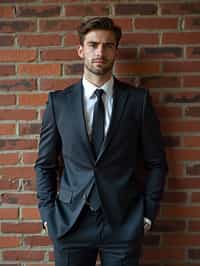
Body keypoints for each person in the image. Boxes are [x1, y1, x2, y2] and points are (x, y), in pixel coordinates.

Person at [35, 17, 168, 266]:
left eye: (108, 45)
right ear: (81, 50)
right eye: (93, 44)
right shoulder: (59, 103)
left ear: (116, 51)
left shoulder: (137, 101)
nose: (100, 52)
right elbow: (45, 164)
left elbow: (157, 163)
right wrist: (47, 215)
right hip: (70, 223)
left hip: (123, 223)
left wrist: (147, 214)